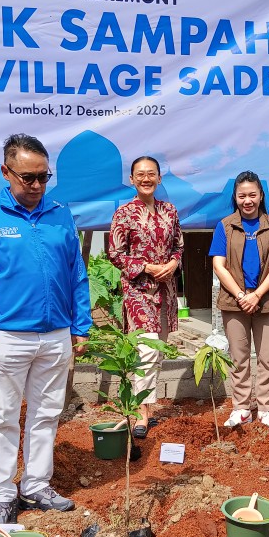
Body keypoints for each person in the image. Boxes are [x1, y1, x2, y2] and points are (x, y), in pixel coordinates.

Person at [0, 134, 90, 537]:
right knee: (2, 417)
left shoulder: (59, 214)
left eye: (43, 177)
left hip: (56, 334)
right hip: (6, 335)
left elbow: (76, 272)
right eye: (27, 177)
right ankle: (1, 494)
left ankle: (35, 485)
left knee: (47, 414)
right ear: (6, 172)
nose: (36, 185)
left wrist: (80, 325)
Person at [107, 156, 183, 439]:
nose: (146, 179)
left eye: (151, 174)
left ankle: (147, 406)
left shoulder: (170, 210)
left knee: (157, 350)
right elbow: (115, 254)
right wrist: (147, 268)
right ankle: (141, 413)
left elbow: (178, 246)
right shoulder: (124, 213)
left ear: (159, 178)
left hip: (166, 291)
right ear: (132, 179)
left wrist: (173, 264)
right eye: (140, 174)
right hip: (138, 291)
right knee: (147, 349)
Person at [209, 171, 269, 428]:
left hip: (267, 301)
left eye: (252, 195)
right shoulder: (225, 226)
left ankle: (265, 409)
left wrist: (258, 294)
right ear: (235, 197)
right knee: (238, 358)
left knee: (268, 358)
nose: (247, 200)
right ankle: (241, 408)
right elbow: (219, 265)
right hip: (234, 302)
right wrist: (242, 295)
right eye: (242, 196)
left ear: (261, 195)